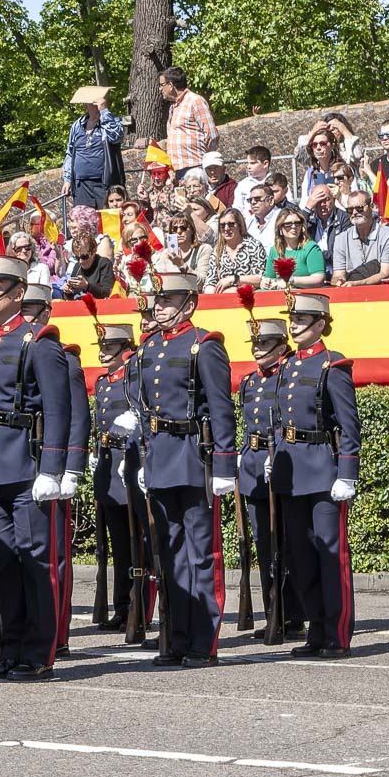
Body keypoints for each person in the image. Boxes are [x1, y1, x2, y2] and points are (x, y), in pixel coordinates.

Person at [0, 250, 70, 680]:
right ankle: (9, 649)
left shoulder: (39, 342)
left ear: (18, 292)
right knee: (2, 562)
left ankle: (37, 653)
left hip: (25, 465)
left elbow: (58, 409)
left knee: (32, 560)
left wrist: (52, 469)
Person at [124, 272, 237, 666]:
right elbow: (143, 408)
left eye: (168, 300)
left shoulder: (204, 346)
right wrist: (144, 455)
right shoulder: (148, 348)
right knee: (170, 556)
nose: (159, 306)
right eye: (158, 300)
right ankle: (177, 637)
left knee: (201, 555)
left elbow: (221, 409)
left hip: (193, 458)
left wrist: (224, 464)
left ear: (189, 305)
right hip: (161, 458)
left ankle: (203, 642)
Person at [269, 291, 361, 658]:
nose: (293, 326)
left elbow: (349, 425)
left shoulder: (332, 366)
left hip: (323, 470)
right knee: (303, 557)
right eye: (292, 320)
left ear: (320, 323)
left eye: (301, 320)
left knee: (330, 554)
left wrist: (347, 473)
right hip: (293, 473)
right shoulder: (288, 366)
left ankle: (337, 634)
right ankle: (316, 630)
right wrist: (277, 456)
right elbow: (281, 420)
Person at [20, 273, 87, 659]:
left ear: (47, 312)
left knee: (55, 555)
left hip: (52, 466)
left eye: (31, 310)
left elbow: (74, 416)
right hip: (20, 463)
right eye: (22, 310)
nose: (26, 317)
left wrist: (70, 468)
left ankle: (57, 632)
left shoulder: (63, 357)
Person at [235, 309, 302, 640]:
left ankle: (294, 614)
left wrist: (277, 450)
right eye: (255, 344)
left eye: (264, 344)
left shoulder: (287, 377)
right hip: (253, 466)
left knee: (286, 543)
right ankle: (272, 611)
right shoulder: (249, 382)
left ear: (281, 346)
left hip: (281, 463)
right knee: (263, 544)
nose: (257, 349)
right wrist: (241, 454)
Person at [87, 318, 140, 633]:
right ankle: (122, 607)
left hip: (128, 466)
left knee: (136, 544)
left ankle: (138, 607)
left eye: (109, 347)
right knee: (118, 546)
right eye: (102, 347)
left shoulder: (133, 379)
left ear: (125, 349)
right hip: (108, 468)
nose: (103, 352)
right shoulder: (104, 383)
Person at [63, 92, 124, 210]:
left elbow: (117, 136)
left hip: (105, 183)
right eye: (92, 102)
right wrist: (67, 179)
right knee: (83, 219)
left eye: (98, 102)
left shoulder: (111, 120)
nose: (96, 105)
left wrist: (104, 111)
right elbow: (70, 153)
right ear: (85, 105)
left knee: (107, 218)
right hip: (81, 184)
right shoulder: (77, 125)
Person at [158, 66, 218, 178]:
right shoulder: (173, 107)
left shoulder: (195, 101)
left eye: (161, 85)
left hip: (196, 167)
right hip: (178, 171)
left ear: (170, 85)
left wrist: (207, 161)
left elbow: (212, 135)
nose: (160, 89)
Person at [328, 191, 389, 286]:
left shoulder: (388, 235)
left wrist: (358, 283)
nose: (354, 213)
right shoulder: (341, 239)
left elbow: (385, 273)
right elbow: (338, 273)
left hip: (380, 290)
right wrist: (339, 281)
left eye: (359, 208)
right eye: (350, 210)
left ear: (371, 207)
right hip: (350, 290)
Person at [57, 210, 117, 298]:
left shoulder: (104, 264)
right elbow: (72, 298)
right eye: (77, 258)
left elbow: (108, 293)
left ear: (94, 251)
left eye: (84, 257)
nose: (81, 261)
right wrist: (68, 292)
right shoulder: (77, 266)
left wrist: (87, 286)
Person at [206, 206, 266, 291]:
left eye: (231, 224)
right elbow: (210, 280)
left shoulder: (254, 246)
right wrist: (210, 291)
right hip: (222, 295)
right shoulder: (217, 250)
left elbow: (260, 278)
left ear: (240, 226)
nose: (226, 228)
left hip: (248, 294)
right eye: (222, 225)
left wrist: (234, 279)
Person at [267, 210, 327, 288]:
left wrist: (289, 280)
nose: (293, 227)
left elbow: (318, 280)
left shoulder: (311, 248)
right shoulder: (274, 250)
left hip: (305, 294)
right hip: (279, 293)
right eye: (288, 224)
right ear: (280, 228)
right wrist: (266, 282)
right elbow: (270, 278)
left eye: (297, 223)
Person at [298, 125, 346, 203]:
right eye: (314, 144)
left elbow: (353, 199)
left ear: (332, 146)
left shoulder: (344, 170)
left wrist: (340, 197)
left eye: (323, 143)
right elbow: (304, 202)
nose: (318, 148)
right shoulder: (310, 173)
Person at [301, 185, 351, 257]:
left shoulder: (343, 218)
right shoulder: (308, 219)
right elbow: (295, 229)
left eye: (326, 199)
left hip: (336, 262)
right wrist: (307, 208)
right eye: (318, 200)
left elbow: (344, 250)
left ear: (333, 200)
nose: (322, 204)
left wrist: (317, 256)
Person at [362, 120, 389, 191]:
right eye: (381, 135)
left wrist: (369, 172)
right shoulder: (375, 165)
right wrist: (364, 177)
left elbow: (388, 193)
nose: (384, 138)